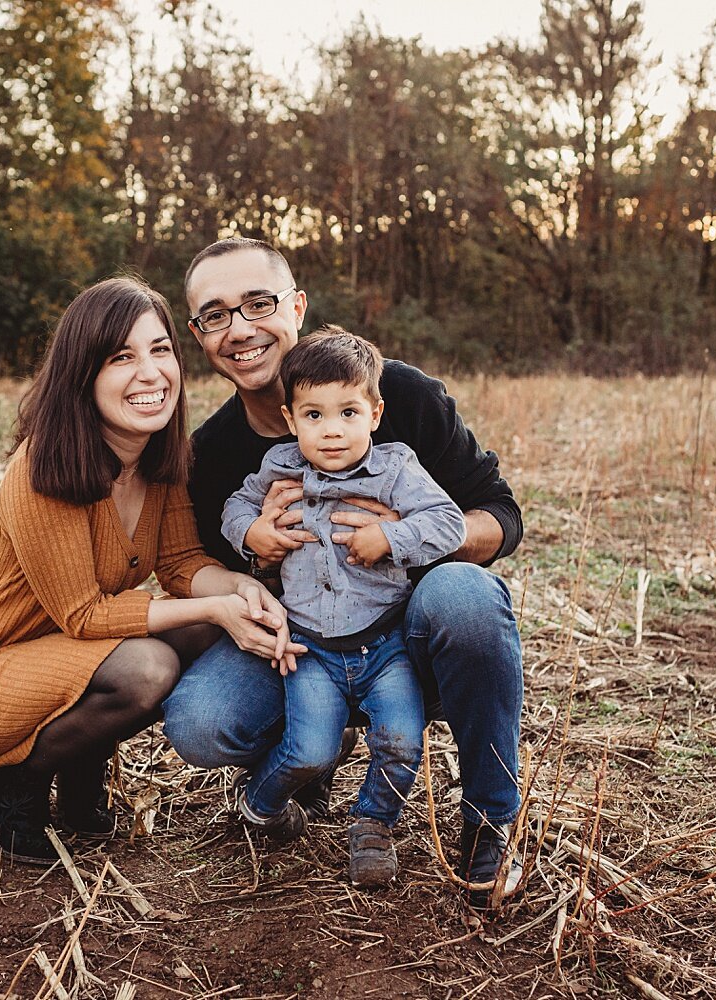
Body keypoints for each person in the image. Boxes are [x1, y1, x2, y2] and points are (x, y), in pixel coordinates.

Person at [162, 237, 525, 907]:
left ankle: (490, 819)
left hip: (406, 635)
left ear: (297, 305)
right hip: (302, 644)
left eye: (259, 303)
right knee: (201, 719)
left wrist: (400, 537)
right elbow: (195, 565)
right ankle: (304, 768)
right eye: (215, 314)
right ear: (199, 334)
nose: (240, 329)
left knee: (465, 598)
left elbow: (500, 514)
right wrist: (256, 550)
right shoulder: (212, 453)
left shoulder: (399, 395)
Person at [0, 275, 300, 865]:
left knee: (201, 630)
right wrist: (214, 608)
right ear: (84, 374)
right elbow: (83, 614)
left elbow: (181, 566)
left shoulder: (159, 459)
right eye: (122, 357)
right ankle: (10, 780)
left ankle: (79, 772)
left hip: (63, 654)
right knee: (148, 668)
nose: (150, 373)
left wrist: (245, 589)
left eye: (159, 351)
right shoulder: (44, 466)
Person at [221, 329, 466, 887]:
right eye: (313, 414)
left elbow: (449, 521)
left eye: (348, 412)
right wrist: (252, 532)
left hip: (385, 644)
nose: (331, 429)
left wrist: (392, 537)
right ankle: (261, 804)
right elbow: (234, 506)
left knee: (402, 742)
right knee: (310, 750)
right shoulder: (280, 467)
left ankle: (374, 823)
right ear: (290, 418)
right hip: (309, 647)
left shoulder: (397, 469)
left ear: (375, 414)